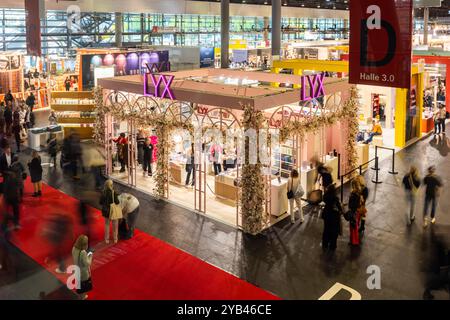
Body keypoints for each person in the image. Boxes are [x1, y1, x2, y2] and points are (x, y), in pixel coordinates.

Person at [322, 184, 343, 251]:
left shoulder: (325, 196)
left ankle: (325, 243)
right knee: (334, 231)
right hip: (334, 216)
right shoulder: (335, 198)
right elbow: (339, 207)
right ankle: (332, 245)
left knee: (326, 229)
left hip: (326, 214)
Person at [99, 180, 121, 244]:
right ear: (111, 185)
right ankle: (115, 239)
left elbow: (100, 202)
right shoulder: (113, 193)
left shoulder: (103, 192)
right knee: (115, 226)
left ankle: (107, 239)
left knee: (107, 225)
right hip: (113, 211)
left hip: (106, 211)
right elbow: (117, 202)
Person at [71, 235, 93, 300]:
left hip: (76, 270)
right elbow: (87, 264)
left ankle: (80, 295)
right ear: (84, 244)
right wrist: (90, 256)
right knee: (84, 287)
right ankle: (83, 297)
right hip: (83, 273)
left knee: (79, 286)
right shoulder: (83, 252)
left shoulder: (74, 248)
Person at [348, 179, 363, 246]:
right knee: (355, 226)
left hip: (354, 212)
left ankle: (354, 241)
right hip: (358, 211)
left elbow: (352, 204)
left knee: (353, 227)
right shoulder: (359, 193)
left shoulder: (353, 194)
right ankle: (354, 240)